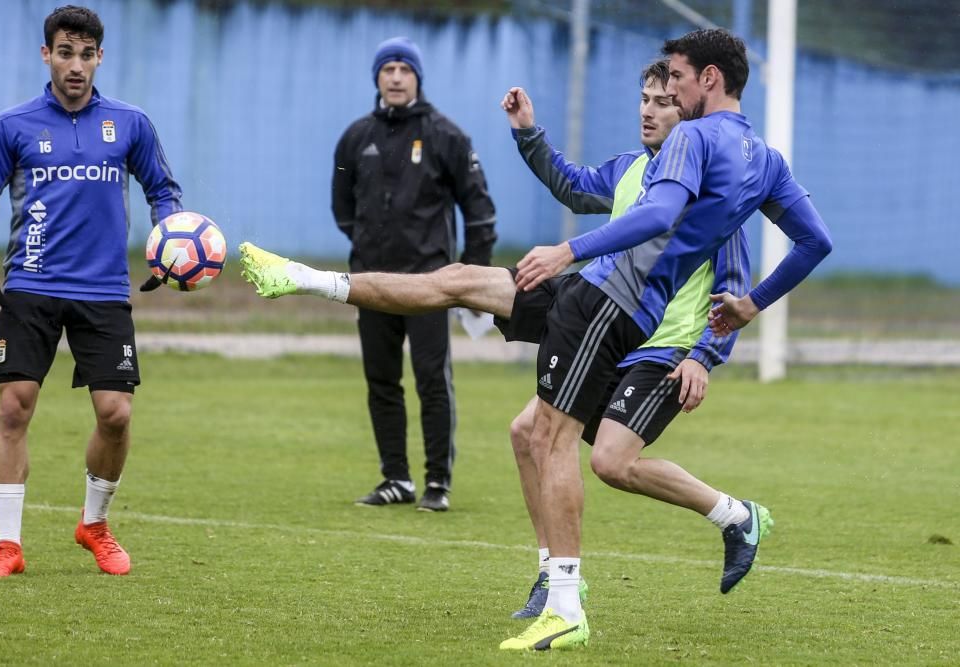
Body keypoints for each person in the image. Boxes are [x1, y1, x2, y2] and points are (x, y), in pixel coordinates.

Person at [239, 27, 831, 651]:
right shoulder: (760, 161)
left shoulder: (693, 139)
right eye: (652, 95)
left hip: (626, 317)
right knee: (460, 288)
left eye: (673, 83)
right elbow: (815, 241)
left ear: (708, 79)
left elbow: (662, 222)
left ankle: (574, 598)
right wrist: (752, 306)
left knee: (568, 445)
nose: (662, 99)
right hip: (591, 295)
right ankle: (307, 278)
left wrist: (697, 336)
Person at [501, 65, 763, 621]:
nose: (648, 110)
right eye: (644, 99)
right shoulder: (629, 169)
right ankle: (552, 576)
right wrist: (528, 132)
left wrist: (703, 357)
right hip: (608, 338)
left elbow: (734, 287)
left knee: (612, 463)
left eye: (664, 102)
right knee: (527, 432)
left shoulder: (715, 193)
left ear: (689, 112)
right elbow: (572, 185)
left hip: (664, 353)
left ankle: (735, 517)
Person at [0, 5, 183, 577]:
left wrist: (171, 244)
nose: (76, 65)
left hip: (104, 290)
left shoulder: (130, 123)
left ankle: (95, 523)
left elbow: (163, 189)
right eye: (65, 53)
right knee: (14, 407)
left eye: (86, 54)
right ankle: (8, 546)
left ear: (100, 57)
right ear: (47, 55)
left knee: (116, 414)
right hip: (30, 286)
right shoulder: (13, 125)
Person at [332, 37, 498, 512]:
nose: (397, 76)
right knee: (381, 380)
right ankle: (395, 479)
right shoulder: (355, 137)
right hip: (370, 283)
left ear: (418, 77)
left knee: (431, 380)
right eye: (389, 68)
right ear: (377, 78)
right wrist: (366, 248)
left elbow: (480, 211)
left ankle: (437, 483)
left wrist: (469, 279)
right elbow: (342, 206)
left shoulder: (446, 135)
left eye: (406, 68)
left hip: (430, 285)